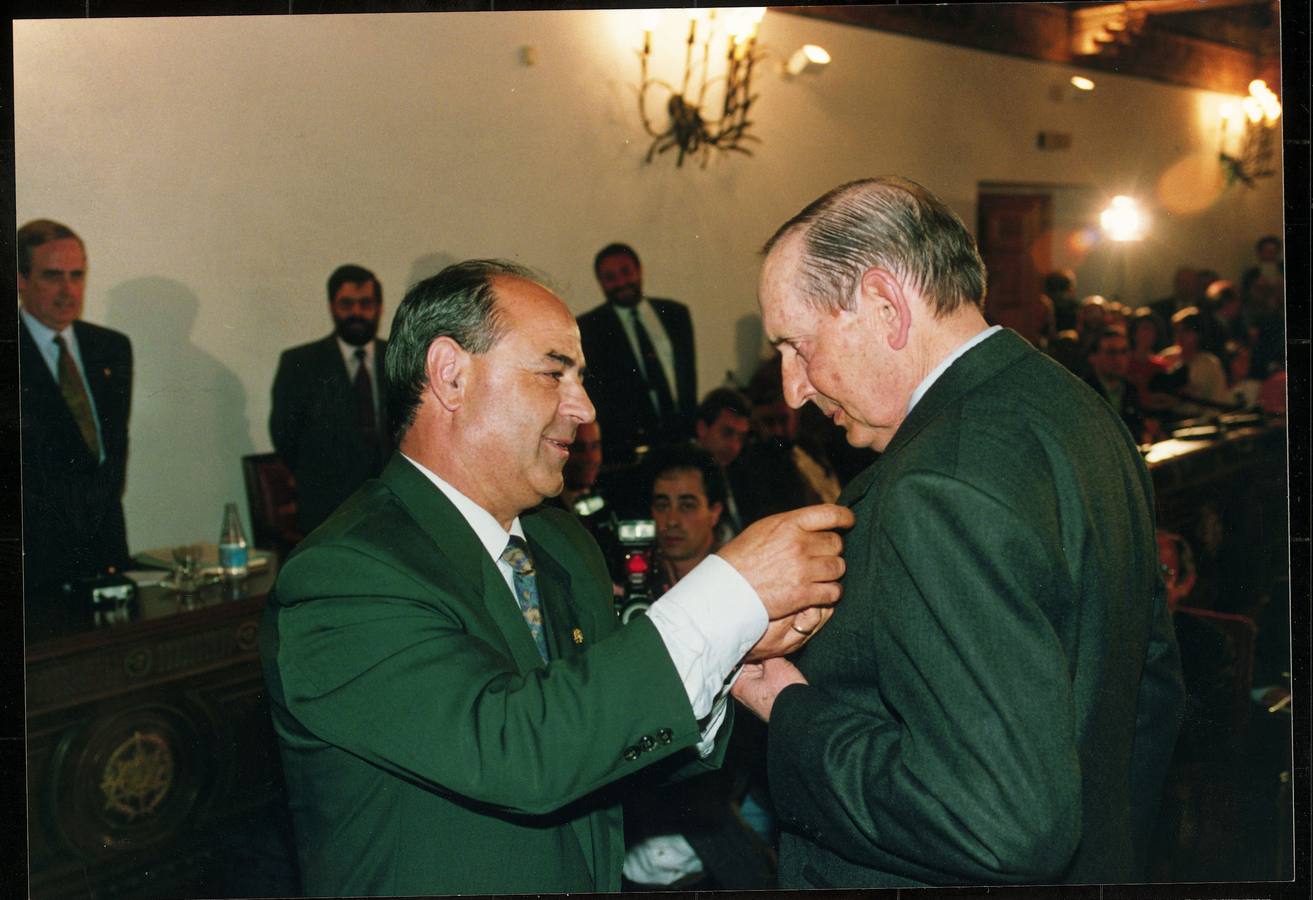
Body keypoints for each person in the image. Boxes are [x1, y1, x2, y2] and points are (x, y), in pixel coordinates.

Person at [260, 258, 851, 896]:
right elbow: (521, 753)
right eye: (553, 372)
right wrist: (727, 593)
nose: (585, 406)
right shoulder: (344, 574)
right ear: (450, 375)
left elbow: (601, 745)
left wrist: (734, 649)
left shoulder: (561, 543)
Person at [733, 177, 1185, 888]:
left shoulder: (936, 482)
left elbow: (996, 822)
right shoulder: (1072, 408)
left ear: (884, 306)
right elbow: (1146, 695)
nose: (793, 387)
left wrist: (789, 709)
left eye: (797, 345)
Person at [622, 444, 777, 891]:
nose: (670, 521)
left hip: (722, 804)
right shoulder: (631, 592)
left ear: (714, 512)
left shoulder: (749, 596)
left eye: (687, 505)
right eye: (661, 504)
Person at [17, 219, 133, 603]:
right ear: (20, 279)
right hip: (34, 563)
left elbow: (112, 451)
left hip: (106, 549)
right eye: (52, 276)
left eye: (77, 275)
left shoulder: (111, 348)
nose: (68, 291)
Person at [270, 264, 391, 536]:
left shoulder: (400, 358)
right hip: (326, 508)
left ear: (380, 307)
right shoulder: (300, 363)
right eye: (346, 304)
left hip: (395, 506)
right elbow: (284, 437)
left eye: (366, 303)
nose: (357, 313)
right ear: (332, 307)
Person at [578, 243, 697, 464]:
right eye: (610, 277)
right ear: (601, 283)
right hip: (630, 453)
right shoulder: (589, 329)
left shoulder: (675, 314)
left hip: (683, 439)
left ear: (639, 270)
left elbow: (688, 379)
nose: (621, 283)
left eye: (626, 272)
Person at [692, 387, 752, 541]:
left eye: (741, 438)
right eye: (727, 433)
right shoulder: (683, 474)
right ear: (702, 428)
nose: (735, 446)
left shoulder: (739, 471)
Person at [1083, 328, 1148, 442]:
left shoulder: (1130, 389)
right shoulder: (1084, 390)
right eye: (1111, 352)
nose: (1119, 359)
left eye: (1123, 352)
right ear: (1093, 357)